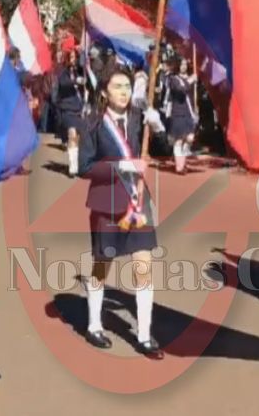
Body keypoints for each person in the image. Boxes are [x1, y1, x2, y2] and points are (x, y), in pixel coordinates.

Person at [77, 67, 167, 359]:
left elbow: (163, 151)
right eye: (117, 86)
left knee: (144, 265)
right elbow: (85, 167)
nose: (124, 92)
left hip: (139, 204)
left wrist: (158, 128)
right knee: (103, 265)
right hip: (108, 204)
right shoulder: (93, 123)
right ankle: (93, 325)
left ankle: (143, 335)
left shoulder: (139, 119)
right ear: (104, 91)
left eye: (127, 86)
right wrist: (119, 167)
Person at [161, 57, 198, 174]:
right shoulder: (173, 79)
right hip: (178, 113)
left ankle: (182, 161)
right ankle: (179, 166)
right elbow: (180, 90)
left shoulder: (189, 78)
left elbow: (191, 95)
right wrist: (190, 81)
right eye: (182, 64)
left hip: (188, 112)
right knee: (179, 140)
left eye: (185, 64)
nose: (184, 66)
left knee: (190, 138)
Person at [52, 50, 86, 176]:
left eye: (75, 57)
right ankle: (73, 167)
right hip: (68, 107)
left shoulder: (83, 70)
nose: (73, 59)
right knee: (71, 135)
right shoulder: (63, 72)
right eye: (70, 57)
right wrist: (76, 81)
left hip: (80, 107)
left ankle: (77, 161)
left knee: (78, 138)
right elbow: (63, 84)